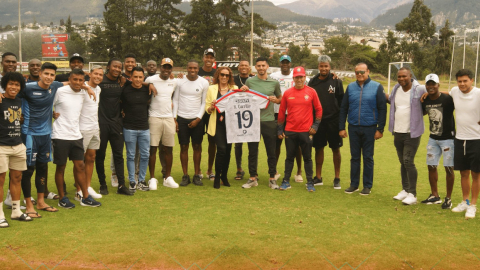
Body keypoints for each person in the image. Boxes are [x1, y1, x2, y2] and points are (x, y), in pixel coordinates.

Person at [52, 69, 101, 208]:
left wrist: (87, 88)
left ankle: (85, 197)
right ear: (69, 79)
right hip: (60, 135)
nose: (78, 83)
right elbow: (48, 104)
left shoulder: (83, 92)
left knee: (80, 166)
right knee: (61, 167)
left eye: (81, 80)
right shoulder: (60, 91)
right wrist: (52, 114)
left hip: (76, 135)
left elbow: (86, 88)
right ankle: (62, 198)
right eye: (75, 80)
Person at [339, 63, 387, 195]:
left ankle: (367, 186)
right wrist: (341, 127)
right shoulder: (350, 87)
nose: (360, 74)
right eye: (357, 72)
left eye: (362, 72)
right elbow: (343, 108)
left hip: (370, 127)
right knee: (354, 158)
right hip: (353, 127)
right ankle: (353, 184)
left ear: (368, 72)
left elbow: (382, 109)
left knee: (367, 157)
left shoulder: (376, 86)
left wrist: (380, 129)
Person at [277, 67, 323, 192]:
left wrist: (315, 126)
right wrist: (280, 129)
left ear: (304, 78)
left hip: (306, 131)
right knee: (289, 157)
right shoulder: (287, 93)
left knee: (307, 157)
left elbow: (319, 109)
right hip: (290, 130)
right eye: (296, 77)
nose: (299, 79)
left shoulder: (311, 92)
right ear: (293, 78)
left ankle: (309, 182)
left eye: (301, 77)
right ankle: (286, 181)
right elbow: (281, 112)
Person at [240, 57, 282, 189]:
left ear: (267, 66)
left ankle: (272, 178)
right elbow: (245, 98)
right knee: (252, 151)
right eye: (258, 66)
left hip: (269, 120)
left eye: (263, 65)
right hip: (252, 121)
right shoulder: (250, 81)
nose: (261, 68)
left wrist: (276, 100)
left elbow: (280, 98)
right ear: (255, 68)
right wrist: (243, 90)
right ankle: (253, 177)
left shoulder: (274, 83)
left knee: (271, 151)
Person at [96, 58, 134, 196]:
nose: (117, 69)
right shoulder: (100, 81)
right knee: (100, 155)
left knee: (118, 155)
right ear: (108, 67)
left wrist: (150, 84)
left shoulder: (122, 81)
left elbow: (138, 83)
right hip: (101, 123)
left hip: (117, 123)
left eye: (119, 67)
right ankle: (103, 184)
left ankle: (121, 185)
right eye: (115, 67)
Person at [388, 68, 426, 205]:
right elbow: (391, 101)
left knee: (408, 161)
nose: (401, 78)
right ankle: (405, 189)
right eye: (399, 76)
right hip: (398, 131)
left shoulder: (419, 89)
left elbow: (433, 94)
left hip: (412, 132)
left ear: (410, 76)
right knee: (403, 162)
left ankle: (412, 194)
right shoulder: (396, 89)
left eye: (404, 76)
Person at [0, 72, 33, 227]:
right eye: (11, 84)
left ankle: (15, 211)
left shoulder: (19, 101)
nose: (13, 87)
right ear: (5, 85)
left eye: (17, 85)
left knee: (17, 178)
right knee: (0, 180)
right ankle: (0, 214)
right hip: (1, 146)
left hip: (18, 144)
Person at [308, 55, 344, 189]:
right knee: (318, 148)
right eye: (321, 66)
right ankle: (318, 177)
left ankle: (337, 178)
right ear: (318, 66)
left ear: (330, 66)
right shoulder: (312, 82)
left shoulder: (336, 81)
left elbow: (342, 102)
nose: (323, 68)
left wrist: (341, 124)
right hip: (318, 121)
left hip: (333, 121)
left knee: (336, 148)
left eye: (326, 66)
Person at [449, 69, 480, 219]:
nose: (462, 84)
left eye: (465, 81)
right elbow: (444, 94)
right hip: (460, 139)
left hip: (477, 139)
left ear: (471, 80)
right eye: (459, 81)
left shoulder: (478, 93)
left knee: (476, 174)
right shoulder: (455, 91)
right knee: (463, 173)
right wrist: (428, 94)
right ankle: (465, 201)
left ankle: (473, 205)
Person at [421, 74, 455, 209]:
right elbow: (423, 112)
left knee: (449, 168)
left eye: (433, 84)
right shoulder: (425, 100)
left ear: (438, 85)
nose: (430, 87)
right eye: (428, 84)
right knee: (431, 166)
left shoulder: (447, 99)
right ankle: (435, 195)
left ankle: (448, 198)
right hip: (433, 138)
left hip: (448, 139)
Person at [173, 60, 209, 186]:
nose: (192, 70)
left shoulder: (204, 82)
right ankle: (185, 175)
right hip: (182, 118)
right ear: (186, 68)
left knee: (197, 146)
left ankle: (196, 175)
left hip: (197, 119)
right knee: (183, 147)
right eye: (190, 68)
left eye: (195, 68)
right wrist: (174, 118)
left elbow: (204, 102)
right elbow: (176, 100)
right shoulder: (179, 81)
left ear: (198, 69)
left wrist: (198, 119)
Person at [145, 58, 179, 190]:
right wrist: (148, 85)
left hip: (169, 118)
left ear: (171, 69)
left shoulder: (174, 81)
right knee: (152, 148)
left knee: (168, 148)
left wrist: (174, 117)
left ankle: (167, 177)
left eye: (169, 68)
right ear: (160, 67)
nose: (166, 70)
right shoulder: (151, 79)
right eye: (164, 67)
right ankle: (152, 178)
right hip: (154, 117)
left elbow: (175, 98)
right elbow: (140, 83)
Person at [270, 55, 303, 183]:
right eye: (283, 62)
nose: (285, 64)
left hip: (294, 114)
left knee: (296, 145)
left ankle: (299, 172)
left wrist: (334, 75)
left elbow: (314, 81)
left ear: (290, 64)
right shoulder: (274, 76)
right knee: (276, 143)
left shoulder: (295, 76)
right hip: (277, 113)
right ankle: (274, 171)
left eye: (287, 62)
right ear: (280, 63)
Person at [205, 67, 238, 189]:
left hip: (230, 125)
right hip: (217, 124)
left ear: (229, 77)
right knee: (222, 149)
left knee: (228, 151)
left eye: (227, 75)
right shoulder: (211, 89)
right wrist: (211, 107)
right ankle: (217, 177)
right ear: (218, 76)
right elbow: (207, 108)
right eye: (222, 75)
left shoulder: (234, 89)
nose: (224, 77)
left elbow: (242, 100)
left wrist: (245, 90)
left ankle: (224, 176)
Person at [121, 66, 152, 192]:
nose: (138, 80)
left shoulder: (147, 90)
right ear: (131, 78)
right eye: (135, 77)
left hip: (144, 128)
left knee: (145, 155)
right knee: (131, 155)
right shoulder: (125, 90)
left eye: (140, 77)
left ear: (143, 78)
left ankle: (142, 180)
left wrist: (150, 84)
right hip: (129, 128)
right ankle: (132, 181)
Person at [79, 66, 104, 199]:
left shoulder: (98, 89)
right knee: (80, 161)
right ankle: (79, 190)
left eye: (100, 75)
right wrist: (86, 87)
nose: (98, 77)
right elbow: (71, 83)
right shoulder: (82, 87)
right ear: (90, 74)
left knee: (91, 158)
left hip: (95, 128)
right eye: (95, 74)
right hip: (82, 129)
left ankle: (87, 187)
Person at [232, 60, 253, 180]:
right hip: (236, 115)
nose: (244, 67)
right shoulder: (233, 79)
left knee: (252, 144)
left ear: (249, 68)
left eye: (246, 65)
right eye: (241, 66)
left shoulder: (254, 80)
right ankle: (239, 169)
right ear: (238, 68)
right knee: (238, 143)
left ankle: (252, 171)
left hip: (251, 115)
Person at [199, 48, 217, 181]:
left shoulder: (217, 73)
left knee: (212, 142)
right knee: (197, 142)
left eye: (211, 57)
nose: (209, 60)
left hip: (212, 111)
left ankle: (210, 170)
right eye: (207, 57)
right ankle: (197, 169)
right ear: (203, 58)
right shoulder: (196, 71)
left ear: (214, 60)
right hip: (199, 110)